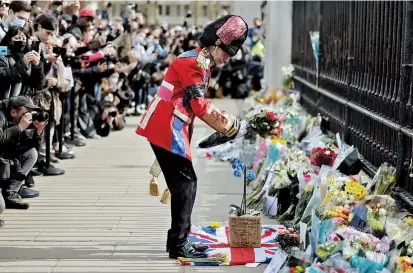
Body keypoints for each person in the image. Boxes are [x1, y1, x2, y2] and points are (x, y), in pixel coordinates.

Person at [136, 15, 250, 259]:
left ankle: (177, 241)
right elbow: (199, 105)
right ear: (214, 45)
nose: (227, 59)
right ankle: (178, 244)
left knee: (183, 185)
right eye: (226, 53)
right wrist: (233, 126)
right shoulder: (195, 63)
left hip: (170, 125)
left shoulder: (198, 60)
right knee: (186, 184)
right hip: (166, 127)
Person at [0, 96, 47, 209]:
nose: (29, 116)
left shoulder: (21, 120)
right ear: (13, 112)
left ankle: (11, 193)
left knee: (32, 153)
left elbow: (31, 147)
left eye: (31, 112)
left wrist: (38, 132)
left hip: (7, 158)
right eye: (26, 112)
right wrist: (19, 127)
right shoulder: (1, 117)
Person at [0, 26, 44, 99]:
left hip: (22, 104)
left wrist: (37, 66)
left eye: (24, 39)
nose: (21, 41)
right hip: (4, 102)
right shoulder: (2, 54)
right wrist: (23, 63)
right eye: (17, 38)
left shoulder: (27, 56)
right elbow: (2, 77)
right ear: (9, 39)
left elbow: (37, 85)